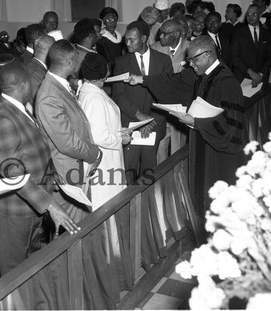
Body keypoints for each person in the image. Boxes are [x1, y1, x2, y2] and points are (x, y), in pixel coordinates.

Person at [127, 36, 246, 222]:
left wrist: (196, 122)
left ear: (208, 55)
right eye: (189, 60)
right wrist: (143, 79)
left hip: (220, 155)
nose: (191, 64)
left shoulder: (226, 82)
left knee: (220, 201)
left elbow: (231, 124)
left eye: (194, 60)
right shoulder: (201, 75)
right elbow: (174, 81)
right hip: (203, 145)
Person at [0, 61, 79, 274]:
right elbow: (13, 172)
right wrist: (51, 206)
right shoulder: (3, 117)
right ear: (23, 85)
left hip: (31, 207)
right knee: (14, 274)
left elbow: (33, 151)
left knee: (32, 268)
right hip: (15, 212)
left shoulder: (18, 109)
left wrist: (51, 179)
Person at [35, 40, 102, 222]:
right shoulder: (49, 95)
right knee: (71, 236)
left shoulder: (59, 85)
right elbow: (67, 144)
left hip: (76, 170)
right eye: (77, 60)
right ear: (70, 63)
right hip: (66, 176)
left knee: (80, 230)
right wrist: (95, 153)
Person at [112, 21, 172, 183]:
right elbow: (118, 96)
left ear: (144, 38)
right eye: (126, 39)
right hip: (130, 126)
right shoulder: (121, 62)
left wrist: (150, 120)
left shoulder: (163, 61)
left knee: (149, 174)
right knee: (128, 174)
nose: (127, 43)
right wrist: (140, 117)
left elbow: (166, 96)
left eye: (132, 39)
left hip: (154, 125)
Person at [78, 53, 129, 208]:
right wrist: (122, 139)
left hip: (105, 159)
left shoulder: (90, 91)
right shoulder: (95, 99)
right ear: (101, 75)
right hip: (104, 163)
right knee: (107, 206)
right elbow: (100, 136)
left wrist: (119, 130)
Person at [150, 19, 189, 159]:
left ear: (177, 34)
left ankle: (179, 179)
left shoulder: (190, 48)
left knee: (178, 149)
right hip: (161, 106)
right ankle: (161, 181)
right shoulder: (154, 48)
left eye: (165, 34)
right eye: (160, 33)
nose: (160, 37)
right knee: (160, 149)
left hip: (181, 108)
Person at [232, 4, 271, 86]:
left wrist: (260, 74)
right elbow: (234, 57)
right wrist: (251, 72)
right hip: (242, 77)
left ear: (259, 15)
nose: (250, 17)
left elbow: (270, 57)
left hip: (261, 78)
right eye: (248, 14)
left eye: (254, 14)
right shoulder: (238, 33)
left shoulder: (267, 33)